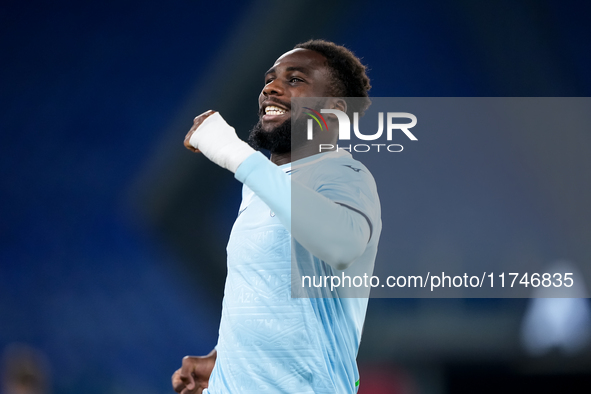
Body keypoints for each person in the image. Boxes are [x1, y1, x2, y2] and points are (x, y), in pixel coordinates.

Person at [172, 39, 381, 394]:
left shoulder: (344, 174)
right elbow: (270, 297)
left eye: (295, 79)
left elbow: (344, 244)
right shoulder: (258, 186)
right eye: (269, 79)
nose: (270, 88)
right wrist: (224, 360)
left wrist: (235, 153)